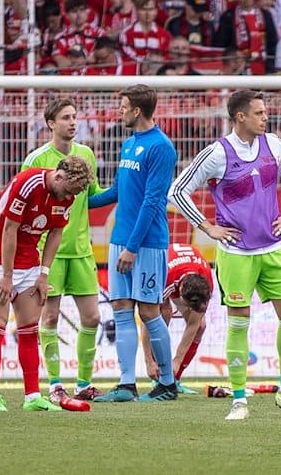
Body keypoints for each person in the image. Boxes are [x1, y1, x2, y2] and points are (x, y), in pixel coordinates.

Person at [168, 90, 281, 421]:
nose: (265, 117)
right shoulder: (217, 153)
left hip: (272, 248)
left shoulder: (274, 144)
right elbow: (177, 190)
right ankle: (239, 399)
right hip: (236, 253)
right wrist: (207, 227)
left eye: (265, 112)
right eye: (259, 113)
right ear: (240, 116)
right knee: (239, 323)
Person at [0, 155, 92, 413]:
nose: (68, 198)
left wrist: (43, 273)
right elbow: (9, 230)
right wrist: (6, 277)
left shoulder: (68, 197)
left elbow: (56, 233)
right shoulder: (27, 184)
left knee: (29, 329)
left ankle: (32, 396)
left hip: (30, 263)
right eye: (68, 191)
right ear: (60, 176)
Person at [89, 84, 179, 403]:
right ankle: (127, 385)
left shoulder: (161, 147)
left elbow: (152, 201)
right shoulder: (128, 144)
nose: (120, 111)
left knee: (150, 311)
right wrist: (83, 200)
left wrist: (132, 247)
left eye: (123, 106)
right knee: (121, 309)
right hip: (120, 240)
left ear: (137, 110)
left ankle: (167, 383)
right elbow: (118, 190)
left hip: (146, 243)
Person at [20, 99, 103, 404]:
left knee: (92, 318)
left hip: (81, 250)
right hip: (47, 253)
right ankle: (55, 384)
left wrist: (124, 188)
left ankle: (83, 382)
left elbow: (91, 198)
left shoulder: (86, 155)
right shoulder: (36, 160)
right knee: (50, 317)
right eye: (66, 118)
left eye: (75, 117)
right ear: (51, 123)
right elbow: (24, 205)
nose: (73, 122)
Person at [140, 243, 214, 396]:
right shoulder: (165, 277)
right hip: (161, 268)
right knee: (162, 314)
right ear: (180, 292)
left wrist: (177, 361)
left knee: (200, 326)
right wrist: (148, 361)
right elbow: (146, 319)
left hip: (185, 269)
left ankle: (175, 380)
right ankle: (157, 376)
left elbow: (194, 323)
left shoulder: (206, 280)